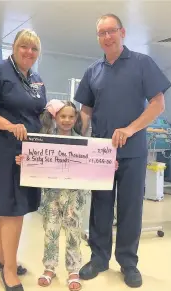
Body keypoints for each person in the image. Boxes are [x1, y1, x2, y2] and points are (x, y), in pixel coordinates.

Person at [74, 14, 171, 288]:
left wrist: (129, 129)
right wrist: (72, 136)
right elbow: (86, 110)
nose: (107, 37)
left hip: (133, 151)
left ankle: (128, 262)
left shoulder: (142, 63)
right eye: (101, 33)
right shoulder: (93, 71)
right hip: (101, 153)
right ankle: (99, 258)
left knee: (130, 209)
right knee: (100, 208)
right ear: (98, 38)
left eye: (111, 31)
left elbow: (157, 104)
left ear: (122, 32)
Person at [15, 99, 119, 291]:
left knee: (73, 232)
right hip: (51, 196)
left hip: (75, 196)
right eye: (63, 116)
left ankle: (73, 270)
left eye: (71, 116)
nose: (67, 120)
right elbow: (34, 161)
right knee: (51, 231)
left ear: (76, 118)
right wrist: (25, 160)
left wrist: (107, 165)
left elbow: (94, 164)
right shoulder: (43, 140)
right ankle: (49, 267)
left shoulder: (84, 142)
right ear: (56, 117)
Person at [0, 29, 47, 291]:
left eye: (34, 49)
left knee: (14, 207)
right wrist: (9, 125)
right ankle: (10, 271)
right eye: (24, 46)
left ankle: (1, 257)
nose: (29, 52)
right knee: (11, 209)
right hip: (3, 149)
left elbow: (38, 112)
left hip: (28, 152)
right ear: (14, 47)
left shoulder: (36, 80)